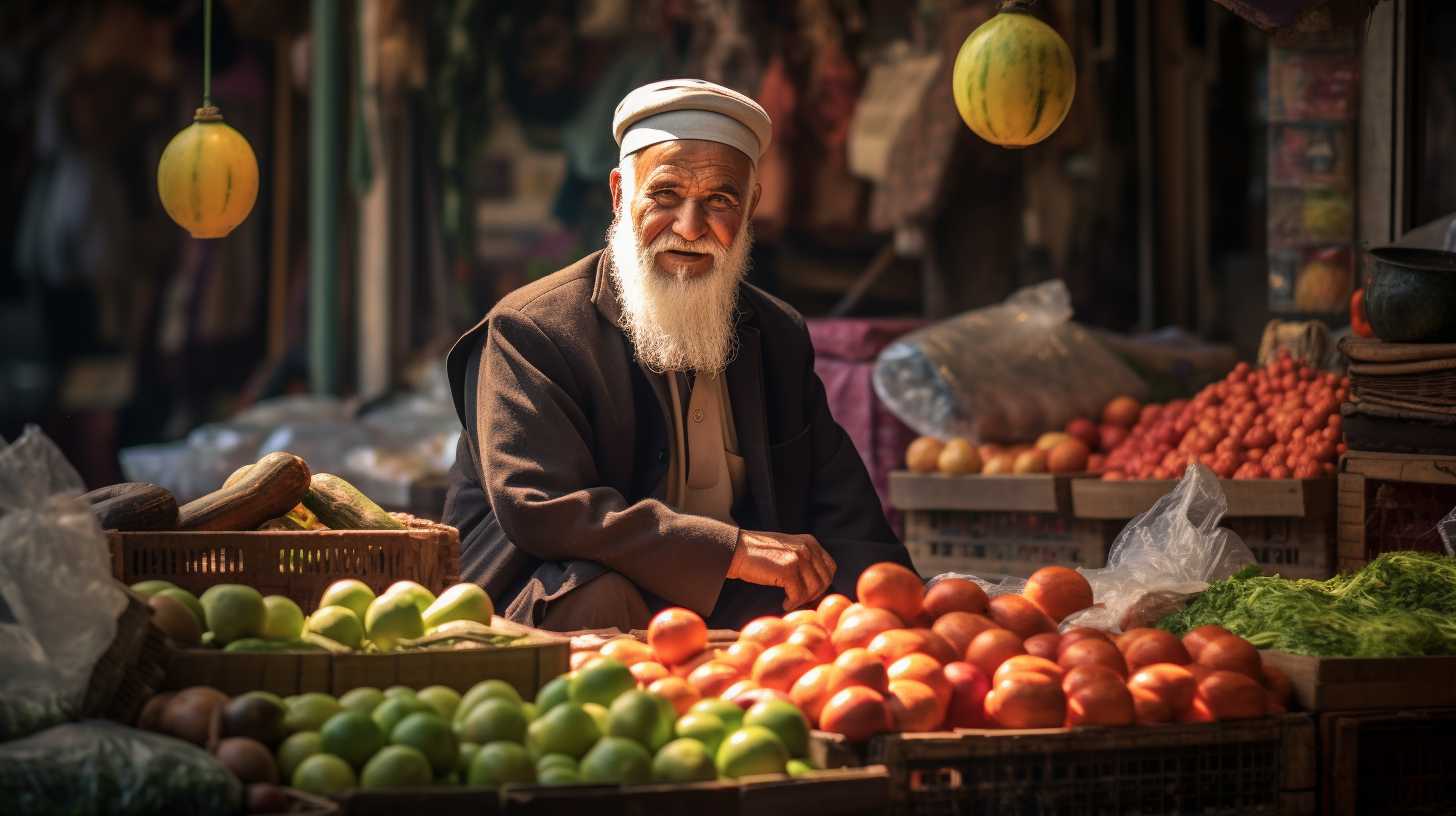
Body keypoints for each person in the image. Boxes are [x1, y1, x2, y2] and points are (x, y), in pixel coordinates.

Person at [443, 79, 912, 631]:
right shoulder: (532, 330)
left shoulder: (775, 333)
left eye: (720, 200)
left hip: (714, 607)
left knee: (823, 610)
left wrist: (907, 608)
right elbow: (542, 505)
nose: (690, 228)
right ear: (620, 195)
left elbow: (844, 515)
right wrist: (731, 550)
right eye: (665, 196)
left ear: (752, 206)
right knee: (603, 598)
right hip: (549, 599)